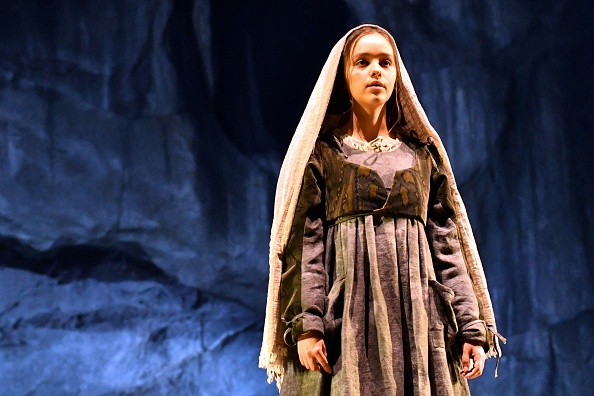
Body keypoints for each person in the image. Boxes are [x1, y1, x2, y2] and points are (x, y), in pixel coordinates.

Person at [260, 24, 504, 396]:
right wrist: (308, 325)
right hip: (348, 323)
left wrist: (471, 327)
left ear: (397, 75)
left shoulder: (422, 157)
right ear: (344, 75)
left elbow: (449, 247)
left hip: (419, 326)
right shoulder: (325, 155)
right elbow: (305, 247)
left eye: (385, 62)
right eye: (363, 62)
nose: (376, 70)